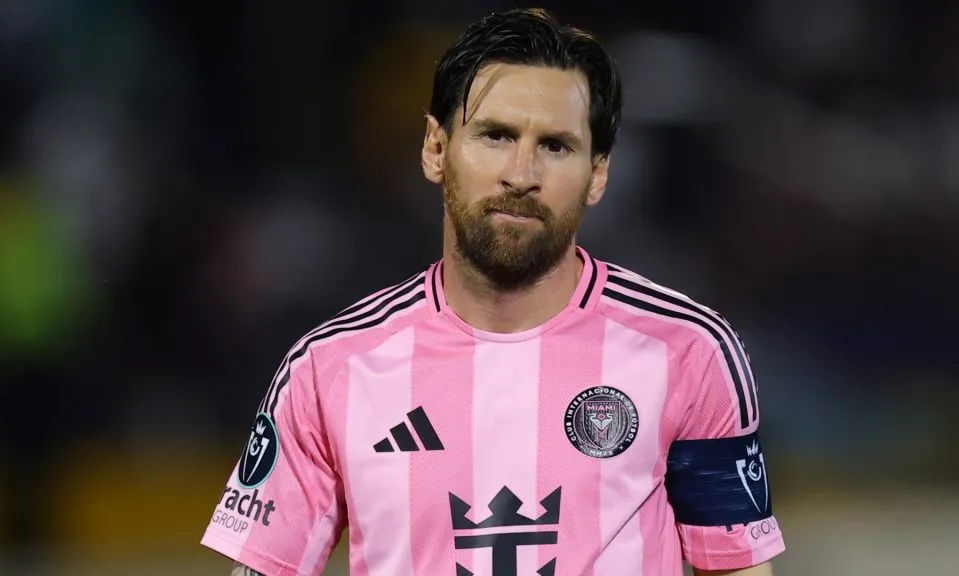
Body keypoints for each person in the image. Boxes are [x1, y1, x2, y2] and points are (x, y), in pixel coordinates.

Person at [201, 7, 785, 576]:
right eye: (496, 135)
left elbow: (736, 567)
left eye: (555, 146)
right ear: (435, 148)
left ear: (598, 173)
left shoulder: (688, 352)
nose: (521, 173)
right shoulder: (328, 370)